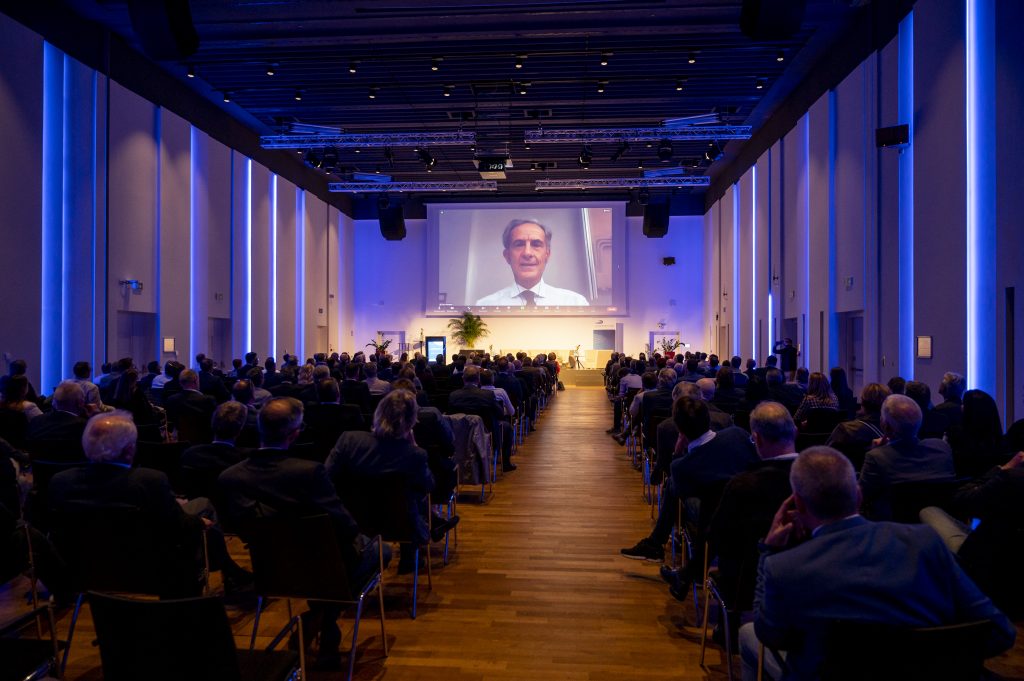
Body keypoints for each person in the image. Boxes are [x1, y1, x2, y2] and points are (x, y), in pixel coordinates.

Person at [738, 446, 1015, 681]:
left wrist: (768, 552)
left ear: (797, 503)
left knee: (748, 635)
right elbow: (999, 632)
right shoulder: (925, 541)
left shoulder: (784, 567)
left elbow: (770, 634)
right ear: (858, 496)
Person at [217, 397, 390, 669]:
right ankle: (323, 620)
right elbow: (345, 527)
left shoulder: (229, 478)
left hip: (271, 571)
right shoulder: (308, 473)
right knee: (381, 551)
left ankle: (319, 617)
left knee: (326, 564)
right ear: (295, 433)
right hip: (323, 565)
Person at [326, 389, 458, 574]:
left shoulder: (348, 440)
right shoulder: (414, 454)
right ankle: (420, 542)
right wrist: (414, 446)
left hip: (353, 521)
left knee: (405, 495)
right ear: (412, 421)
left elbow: (327, 477)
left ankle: (433, 525)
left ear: (378, 412)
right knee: (409, 496)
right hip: (401, 524)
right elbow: (429, 486)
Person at [474, 219, 588, 307]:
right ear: (507, 256)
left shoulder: (576, 302)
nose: (527, 253)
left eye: (536, 244)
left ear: (547, 255)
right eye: (519, 244)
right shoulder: (484, 305)